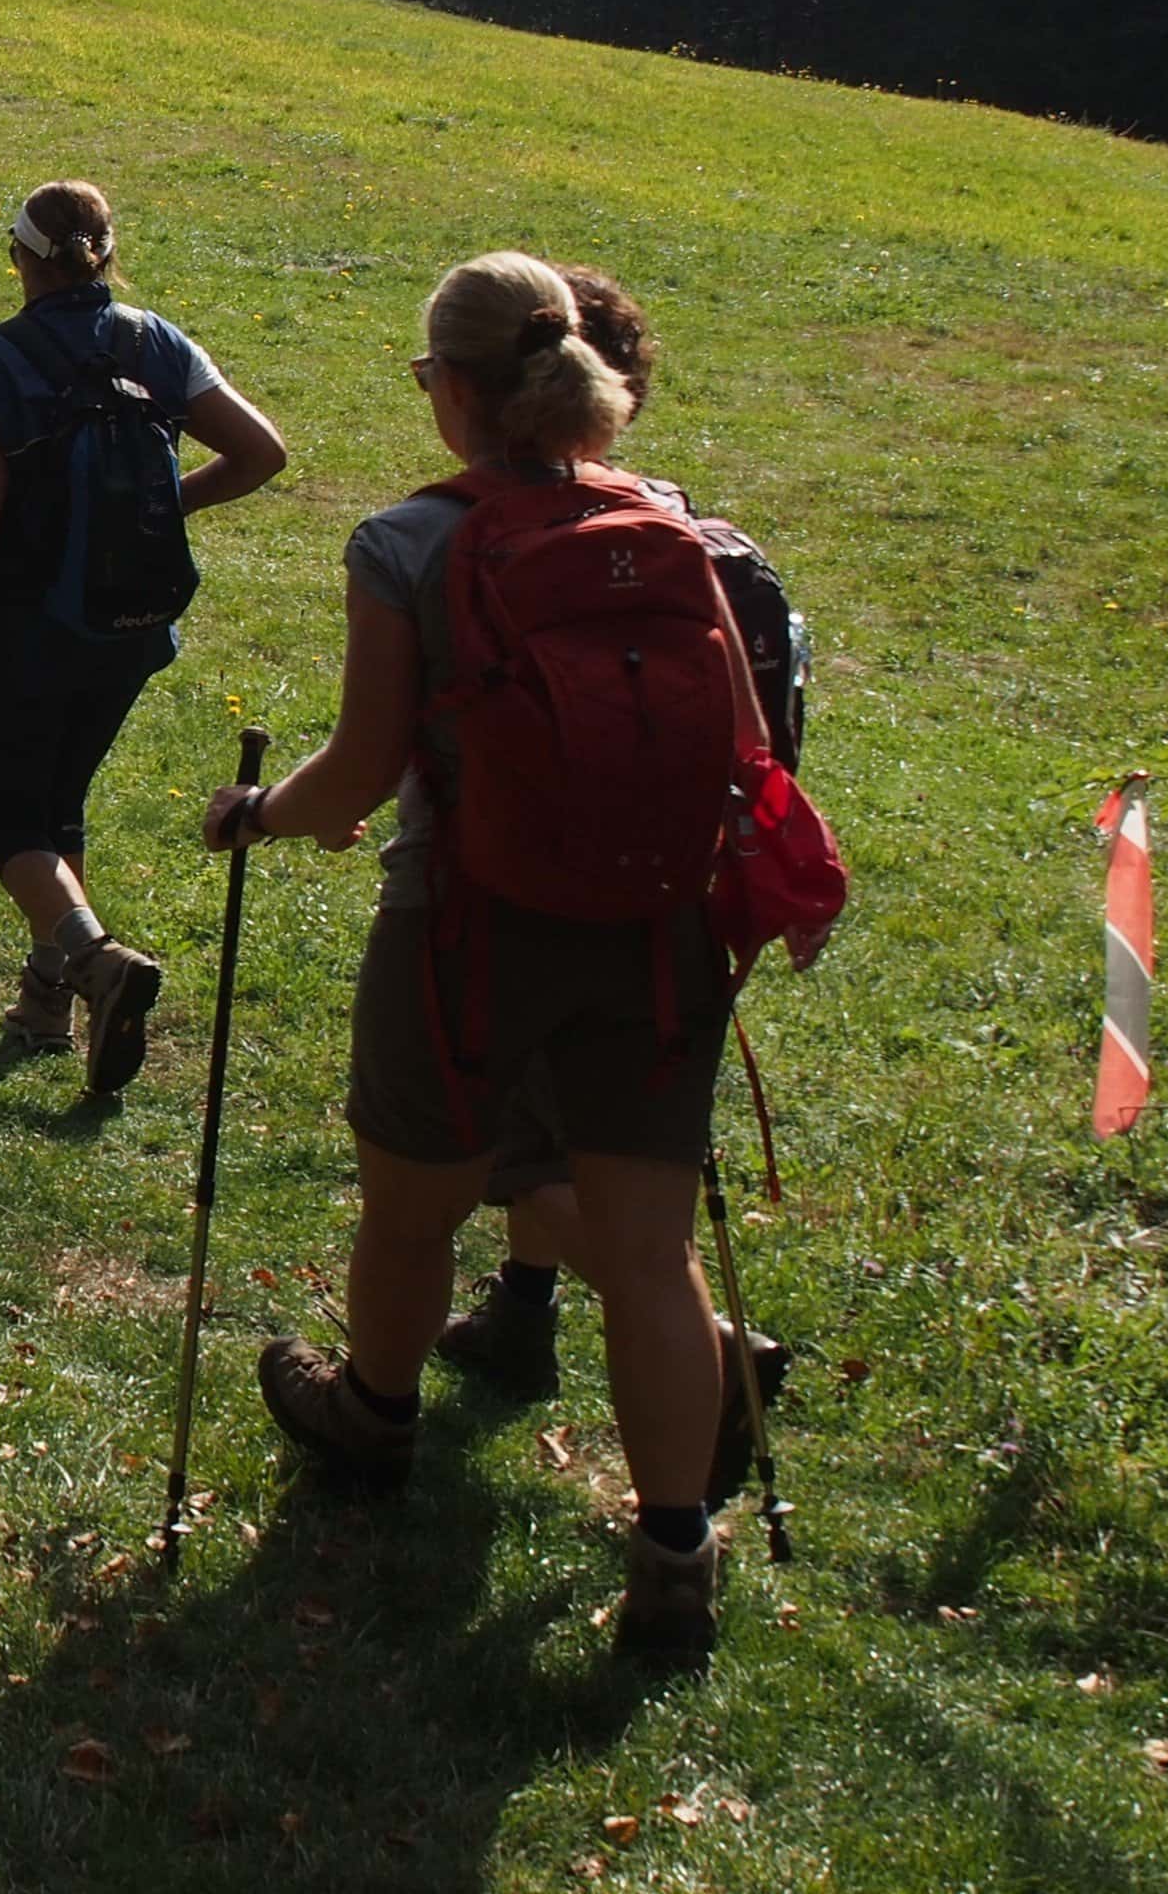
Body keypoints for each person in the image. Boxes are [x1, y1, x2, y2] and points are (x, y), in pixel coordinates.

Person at [203, 250, 753, 1658]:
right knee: (646, 1252)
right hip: (658, 943)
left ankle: (374, 1418)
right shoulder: (685, 531)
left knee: (413, 1205)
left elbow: (361, 772)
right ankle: (676, 1549)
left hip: (468, 930)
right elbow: (748, 755)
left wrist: (261, 814)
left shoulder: (408, 545)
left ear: (452, 388)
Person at [431, 268, 790, 1510]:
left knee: (527, 1161)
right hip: (677, 906)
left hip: (528, 890)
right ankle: (522, 1313)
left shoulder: (504, 539)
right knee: (591, 1151)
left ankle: (709, 1357)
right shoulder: (709, 543)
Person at [0, 180, 285, 1097]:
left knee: (12, 823)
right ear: (106, 254)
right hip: (131, 623)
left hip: (26, 619)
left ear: (21, 260)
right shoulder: (152, 340)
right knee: (62, 802)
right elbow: (262, 452)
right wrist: (159, 509)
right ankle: (47, 1003)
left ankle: (99, 963)